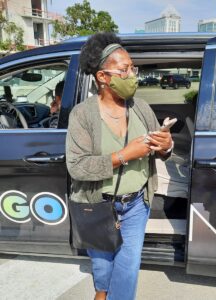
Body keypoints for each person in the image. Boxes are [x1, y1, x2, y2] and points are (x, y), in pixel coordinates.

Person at [66, 32, 174, 300]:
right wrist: (124, 155)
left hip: (136, 204)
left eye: (132, 68)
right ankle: (101, 291)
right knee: (102, 265)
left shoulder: (141, 107)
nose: (132, 75)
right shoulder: (82, 114)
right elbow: (77, 166)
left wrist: (165, 146)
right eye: (124, 69)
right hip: (98, 205)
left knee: (127, 269)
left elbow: (158, 150)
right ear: (103, 77)